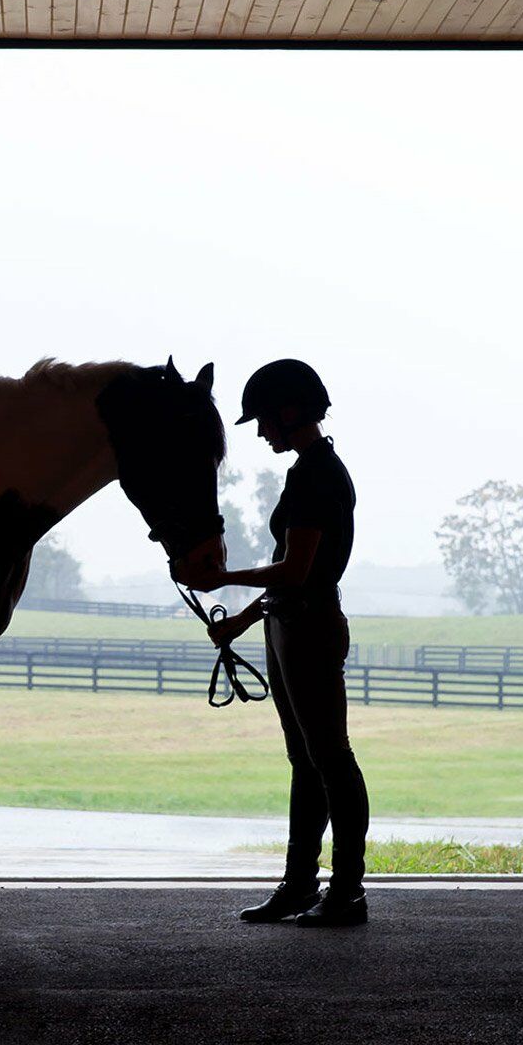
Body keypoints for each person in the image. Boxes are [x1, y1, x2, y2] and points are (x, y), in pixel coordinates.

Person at [175, 359, 370, 927]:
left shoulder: (315, 476)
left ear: (290, 412)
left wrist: (224, 580)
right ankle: (301, 885)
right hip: (288, 622)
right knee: (308, 760)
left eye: (264, 420)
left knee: (331, 758)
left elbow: (297, 568)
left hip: (307, 626)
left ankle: (346, 892)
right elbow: (293, 577)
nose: (261, 432)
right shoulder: (309, 471)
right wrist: (240, 621)